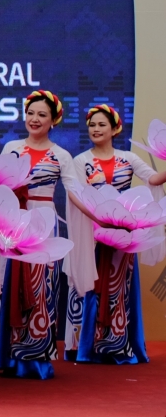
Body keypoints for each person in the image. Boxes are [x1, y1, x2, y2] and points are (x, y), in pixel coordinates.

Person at [65, 104, 166, 363]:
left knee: (120, 285)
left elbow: (153, 179)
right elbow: (76, 194)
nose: (96, 129)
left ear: (114, 129)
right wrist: (98, 219)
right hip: (93, 230)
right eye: (92, 125)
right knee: (92, 283)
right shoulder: (80, 160)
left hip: (123, 232)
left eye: (102, 125)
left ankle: (118, 344)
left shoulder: (128, 158)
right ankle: (88, 346)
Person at [0, 90, 76, 378]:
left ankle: (37, 356)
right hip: (13, 221)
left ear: (53, 120)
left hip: (44, 222)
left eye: (42, 114)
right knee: (10, 283)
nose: (34, 119)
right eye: (30, 113)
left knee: (43, 287)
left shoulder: (61, 155)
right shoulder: (12, 147)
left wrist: (98, 214)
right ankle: (8, 355)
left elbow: (75, 192)